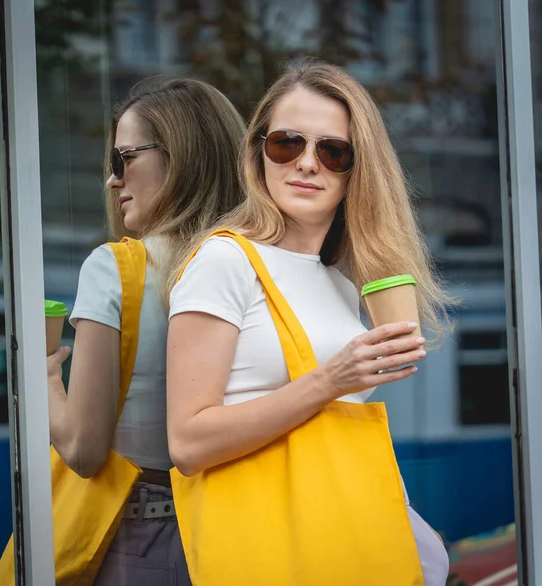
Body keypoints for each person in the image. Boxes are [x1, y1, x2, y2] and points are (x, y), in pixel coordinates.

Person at [166, 59, 453, 585]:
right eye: (287, 143)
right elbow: (187, 443)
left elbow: (328, 439)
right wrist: (329, 380)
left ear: (357, 169)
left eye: (332, 151)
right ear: (258, 153)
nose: (306, 163)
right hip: (268, 551)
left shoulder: (342, 282)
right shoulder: (225, 260)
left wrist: (407, 527)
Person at [46, 75, 246, 585]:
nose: (112, 181)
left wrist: (42, 381)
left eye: (123, 159)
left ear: (178, 159)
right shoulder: (254, 265)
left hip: (137, 539)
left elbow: (86, 452)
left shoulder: (115, 268)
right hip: (235, 534)